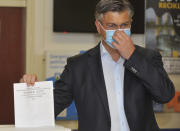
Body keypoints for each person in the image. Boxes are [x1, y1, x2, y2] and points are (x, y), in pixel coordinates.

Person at [20, 0, 175, 131]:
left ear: (131, 24)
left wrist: (132, 56)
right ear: (98, 26)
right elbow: (48, 109)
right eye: (112, 26)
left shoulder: (148, 57)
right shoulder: (78, 66)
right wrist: (31, 93)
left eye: (124, 25)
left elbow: (165, 95)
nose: (118, 32)